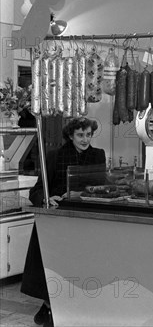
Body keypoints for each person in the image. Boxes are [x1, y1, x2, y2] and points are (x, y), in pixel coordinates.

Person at [21, 117, 106, 327]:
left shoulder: (98, 155)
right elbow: (37, 190)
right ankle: (50, 306)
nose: (85, 139)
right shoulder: (54, 156)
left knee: (77, 269)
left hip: (85, 220)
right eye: (80, 135)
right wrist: (46, 198)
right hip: (57, 219)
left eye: (88, 134)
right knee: (53, 266)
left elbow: (102, 186)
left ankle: (57, 308)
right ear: (70, 135)